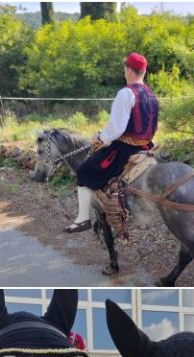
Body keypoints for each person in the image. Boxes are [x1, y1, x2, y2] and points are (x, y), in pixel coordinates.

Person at [64, 52, 159, 233]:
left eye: (125, 69)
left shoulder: (126, 93)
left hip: (125, 148)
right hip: (146, 146)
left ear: (128, 70)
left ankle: (83, 219)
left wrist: (100, 137)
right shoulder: (151, 94)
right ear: (144, 71)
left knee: (84, 171)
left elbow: (116, 129)